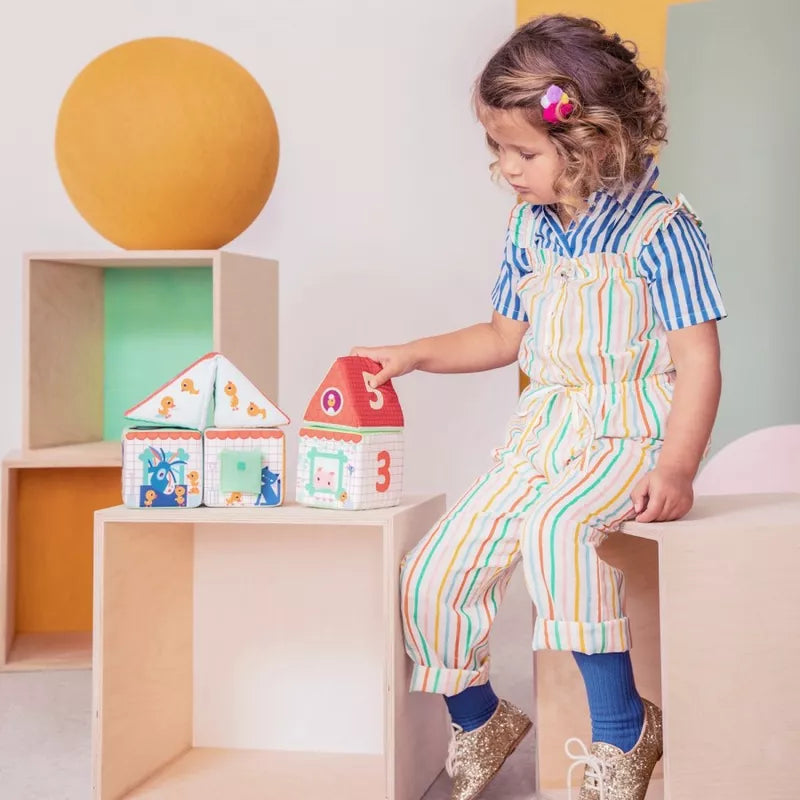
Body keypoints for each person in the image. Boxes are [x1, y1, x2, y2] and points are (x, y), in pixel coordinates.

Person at [352, 14, 725, 800]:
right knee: (434, 566)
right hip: (546, 430)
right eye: (498, 151)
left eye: (523, 152)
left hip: (629, 429)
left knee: (560, 535)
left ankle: (626, 732)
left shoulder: (663, 231)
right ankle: (480, 716)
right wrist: (414, 353)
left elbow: (698, 360)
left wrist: (679, 465)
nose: (507, 169)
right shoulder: (531, 229)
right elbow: (501, 335)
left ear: (590, 143)